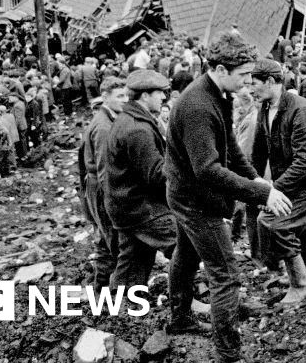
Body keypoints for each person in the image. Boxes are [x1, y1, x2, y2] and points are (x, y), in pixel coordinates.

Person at [165, 32, 291, 361]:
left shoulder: (217, 94)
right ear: (221, 69)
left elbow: (231, 149)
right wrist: (261, 192)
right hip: (196, 201)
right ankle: (228, 353)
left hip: (187, 194)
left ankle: (179, 320)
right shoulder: (197, 106)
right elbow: (207, 169)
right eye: (244, 75)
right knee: (225, 275)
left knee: (187, 255)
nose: (249, 81)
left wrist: (258, 183)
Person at [250, 59, 306, 304]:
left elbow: (305, 162)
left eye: (255, 84)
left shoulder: (302, 111)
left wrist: (273, 191)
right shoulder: (266, 108)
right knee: (301, 226)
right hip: (293, 178)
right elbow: (258, 152)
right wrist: (254, 185)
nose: (251, 89)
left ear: (270, 82)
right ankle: (301, 271)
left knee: (277, 223)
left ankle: (300, 286)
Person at [104, 70, 175, 288]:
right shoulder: (137, 129)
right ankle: (185, 302)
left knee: (133, 261)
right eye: (160, 93)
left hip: (126, 206)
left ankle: (119, 308)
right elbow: (156, 175)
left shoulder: (129, 120)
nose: (164, 98)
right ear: (145, 96)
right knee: (187, 243)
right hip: (140, 209)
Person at [78, 77, 127, 288]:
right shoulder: (104, 126)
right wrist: (113, 200)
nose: (125, 100)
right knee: (112, 238)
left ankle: (102, 282)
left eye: (126, 95)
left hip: (96, 185)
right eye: (120, 96)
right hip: (102, 188)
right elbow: (104, 168)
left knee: (106, 238)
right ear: (105, 97)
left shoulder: (106, 119)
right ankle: (106, 287)